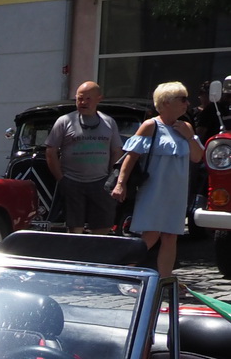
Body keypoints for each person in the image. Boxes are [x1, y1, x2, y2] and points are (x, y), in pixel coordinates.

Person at [113, 82, 204, 279]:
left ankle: (164, 280)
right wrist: (120, 183)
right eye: (182, 99)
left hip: (176, 192)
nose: (187, 103)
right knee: (150, 235)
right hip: (154, 190)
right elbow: (131, 156)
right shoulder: (150, 126)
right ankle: (125, 273)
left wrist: (189, 137)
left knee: (171, 237)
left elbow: (197, 157)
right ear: (166, 103)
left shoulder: (186, 127)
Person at [46, 82, 121, 235]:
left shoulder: (109, 122)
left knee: (102, 226)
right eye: (79, 99)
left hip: (101, 183)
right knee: (74, 228)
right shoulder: (64, 121)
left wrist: (111, 178)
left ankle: (96, 256)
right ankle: (75, 255)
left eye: (88, 99)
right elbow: (50, 151)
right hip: (72, 182)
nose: (83, 103)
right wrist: (61, 179)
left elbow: (116, 151)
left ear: (99, 99)